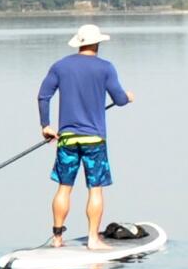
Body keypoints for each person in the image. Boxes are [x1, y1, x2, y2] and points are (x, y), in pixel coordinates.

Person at [36, 22, 131, 248]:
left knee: (63, 187)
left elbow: (43, 96)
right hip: (94, 139)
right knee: (95, 188)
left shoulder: (60, 66)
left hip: (66, 138)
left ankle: (58, 238)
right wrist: (128, 97)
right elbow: (118, 99)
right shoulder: (106, 68)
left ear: (79, 43)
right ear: (97, 43)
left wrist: (46, 125)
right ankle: (92, 238)